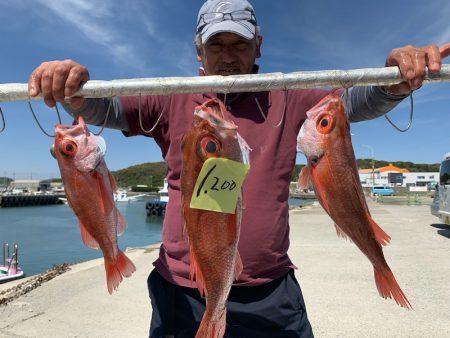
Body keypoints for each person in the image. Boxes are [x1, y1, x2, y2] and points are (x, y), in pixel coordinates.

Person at [28, 1, 450, 337]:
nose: (228, 57)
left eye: (239, 44)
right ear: (199, 51)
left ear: (258, 47)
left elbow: (353, 104)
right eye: (216, 45)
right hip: (182, 290)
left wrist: (394, 81)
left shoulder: (289, 97)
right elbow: (107, 106)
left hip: (270, 290)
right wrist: (70, 87)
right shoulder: (170, 98)